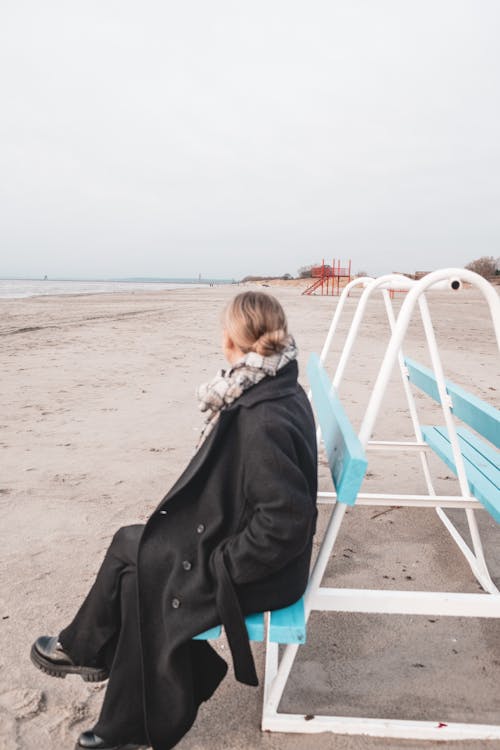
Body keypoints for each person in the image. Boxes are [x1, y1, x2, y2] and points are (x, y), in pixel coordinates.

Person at [31, 291, 318, 750]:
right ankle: (120, 700)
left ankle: (98, 672)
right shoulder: (272, 386)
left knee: (138, 559)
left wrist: (220, 566)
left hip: (263, 569)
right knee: (136, 554)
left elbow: (285, 523)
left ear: (230, 339)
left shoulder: (262, 415)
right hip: (250, 542)